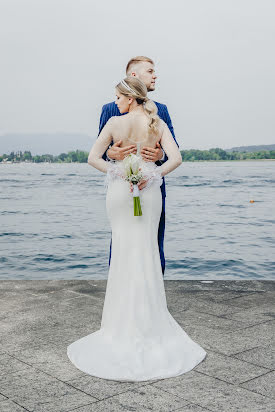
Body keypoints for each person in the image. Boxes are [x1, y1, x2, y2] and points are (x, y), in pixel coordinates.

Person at [67, 76, 207, 381]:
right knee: (146, 252)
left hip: (120, 192)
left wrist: (119, 171)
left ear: (129, 98)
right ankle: (150, 322)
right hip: (149, 190)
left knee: (124, 252)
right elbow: (177, 158)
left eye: (118, 97)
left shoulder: (115, 124)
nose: (115, 102)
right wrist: (153, 174)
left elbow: (92, 158)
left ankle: (119, 327)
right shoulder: (157, 124)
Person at [99, 56, 179, 276]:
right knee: (121, 240)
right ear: (134, 76)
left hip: (152, 186)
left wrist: (160, 153)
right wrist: (110, 153)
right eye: (150, 71)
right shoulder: (110, 109)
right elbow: (102, 150)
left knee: (154, 241)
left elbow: (173, 150)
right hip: (122, 187)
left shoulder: (161, 109)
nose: (155, 76)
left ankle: (154, 291)